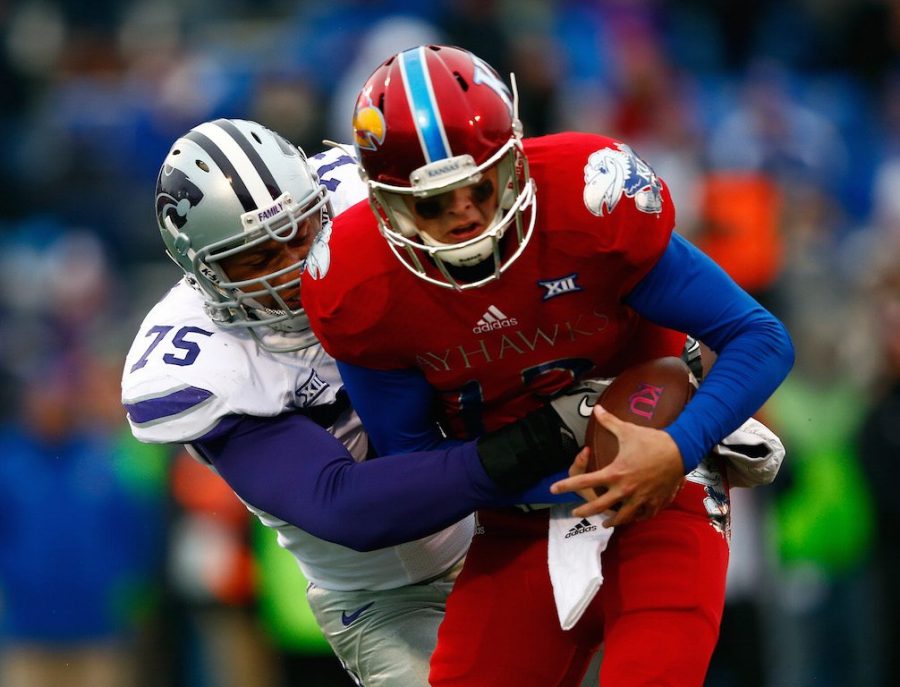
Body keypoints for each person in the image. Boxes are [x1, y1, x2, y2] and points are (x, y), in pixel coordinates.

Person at [301, 45, 795, 687]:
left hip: (661, 491)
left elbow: (759, 336)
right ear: (389, 203)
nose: (466, 215)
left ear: (511, 160)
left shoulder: (586, 197)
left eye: (478, 186)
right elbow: (414, 471)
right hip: (517, 522)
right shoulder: (360, 282)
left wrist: (678, 447)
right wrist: (541, 469)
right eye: (433, 204)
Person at [120, 117, 602, 686]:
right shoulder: (198, 362)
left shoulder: (359, 190)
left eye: (299, 233)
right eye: (255, 258)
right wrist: (546, 437)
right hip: (393, 595)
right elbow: (346, 507)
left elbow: (521, 209)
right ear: (202, 270)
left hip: (521, 523)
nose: (293, 266)